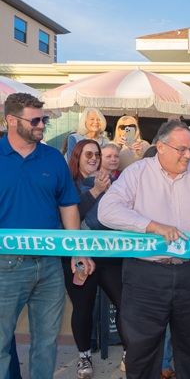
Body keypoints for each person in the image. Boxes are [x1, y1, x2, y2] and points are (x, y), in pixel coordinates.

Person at [98, 120, 190, 379]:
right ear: (161, 147)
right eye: (182, 149)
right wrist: (151, 226)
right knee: (142, 351)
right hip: (145, 275)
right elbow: (107, 211)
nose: (189, 155)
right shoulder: (136, 173)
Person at [0, 93, 94, 379]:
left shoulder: (53, 157)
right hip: (5, 266)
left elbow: (68, 206)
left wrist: (78, 250)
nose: (43, 125)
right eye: (36, 120)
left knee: (46, 343)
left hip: (51, 264)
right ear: (12, 121)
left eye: (44, 119)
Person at [65, 139, 126, 378]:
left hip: (109, 256)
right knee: (83, 307)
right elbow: (70, 218)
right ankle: (83, 356)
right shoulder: (68, 183)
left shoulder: (111, 183)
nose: (94, 158)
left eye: (97, 154)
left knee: (125, 303)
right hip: (79, 257)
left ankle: (127, 353)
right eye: (88, 154)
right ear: (77, 156)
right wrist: (96, 192)